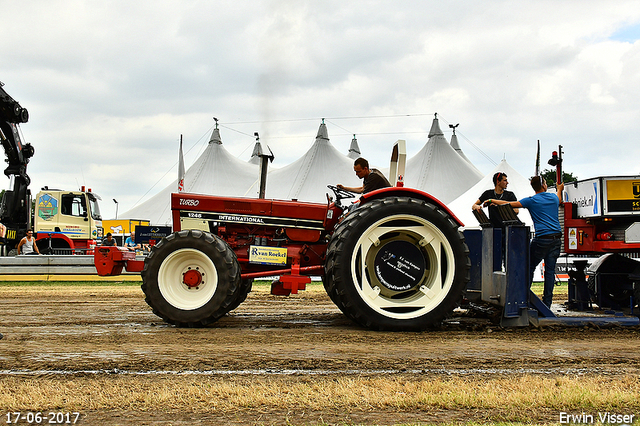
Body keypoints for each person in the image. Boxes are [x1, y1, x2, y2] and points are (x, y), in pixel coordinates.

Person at [485, 176, 564, 307]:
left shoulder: (531, 201)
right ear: (544, 186)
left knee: (530, 267)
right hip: (556, 238)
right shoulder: (553, 198)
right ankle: (547, 304)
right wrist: (559, 189)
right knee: (550, 271)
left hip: (541, 239)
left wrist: (491, 200)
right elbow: (559, 198)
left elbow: (510, 204)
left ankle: (524, 298)